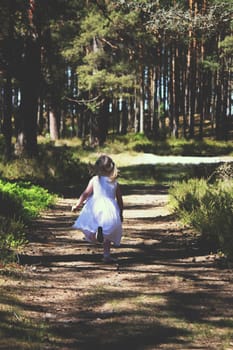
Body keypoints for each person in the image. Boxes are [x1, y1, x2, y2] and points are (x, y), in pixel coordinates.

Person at [71, 154, 123, 263]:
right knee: (108, 233)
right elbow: (120, 199)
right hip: (110, 208)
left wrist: (77, 204)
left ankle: (96, 235)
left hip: (95, 207)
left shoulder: (95, 180)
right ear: (111, 168)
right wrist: (121, 213)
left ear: (97, 168)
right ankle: (106, 255)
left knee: (94, 226)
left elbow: (85, 194)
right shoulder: (114, 183)